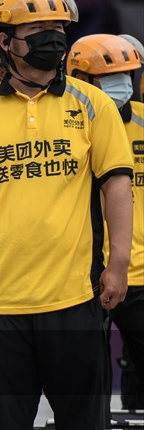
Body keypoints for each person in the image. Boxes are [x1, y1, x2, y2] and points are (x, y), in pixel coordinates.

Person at [0, 0, 133, 430]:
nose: (54, 39)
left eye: (58, 30)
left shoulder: (92, 104)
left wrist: (119, 262)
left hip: (74, 299)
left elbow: (117, 183)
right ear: (4, 41)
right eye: (39, 31)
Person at [67, 33, 143, 410]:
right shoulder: (69, 125)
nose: (123, 86)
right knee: (86, 379)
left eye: (129, 75)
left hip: (140, 275)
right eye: (110, 77)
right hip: (85, 273)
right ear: (80, 79)